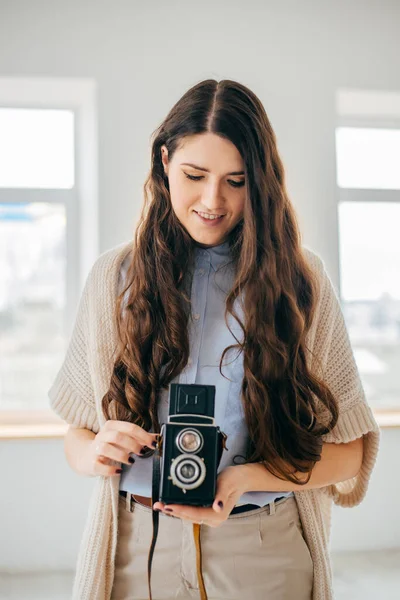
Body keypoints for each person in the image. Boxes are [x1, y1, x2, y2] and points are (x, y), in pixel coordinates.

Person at [48, 79, 380, 600]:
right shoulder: (114, 278)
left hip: (263, 547)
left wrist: (242, 478)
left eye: (236, 180)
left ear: (261, 181)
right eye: (195, 175)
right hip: (139, 549)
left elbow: (350, 455)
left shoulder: (301, 281)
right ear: (164, 162)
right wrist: (96, 452)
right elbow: (77, 435)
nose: (212, 200)